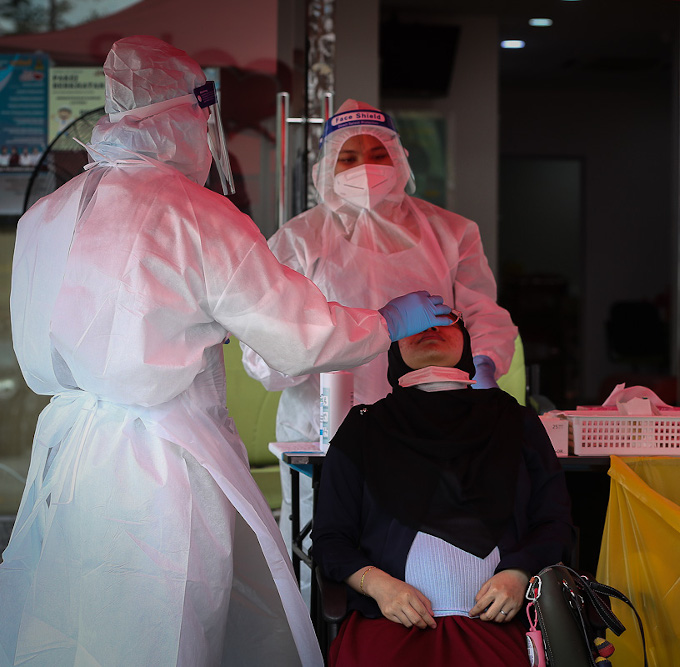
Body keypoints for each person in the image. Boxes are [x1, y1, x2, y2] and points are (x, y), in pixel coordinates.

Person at [0, 36, 452, 667]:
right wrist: (383, 321)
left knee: (76, 630)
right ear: (184, 116)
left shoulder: (45, 215)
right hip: (166, 467)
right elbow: (296, 333)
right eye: (203, 118)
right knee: (167, 632)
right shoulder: (196, 214)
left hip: (71, 457)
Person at [240, 99, 518, 578]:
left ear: (400, 158)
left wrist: (487, 361)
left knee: (429, 560)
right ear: (327, 168)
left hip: (432, 427)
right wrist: (312, 349)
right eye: (349, 157)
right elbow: (264, 345)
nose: (365, 168)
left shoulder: (451, 232)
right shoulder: (299, 240)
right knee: (323, 563)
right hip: (324, 434)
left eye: (377, 153)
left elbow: (482, 312)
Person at [312, 313, 573, 667]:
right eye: (413, 322)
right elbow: (330, 539)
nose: (430, 328)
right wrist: (379, 587)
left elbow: (553, 520)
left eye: (444, 319)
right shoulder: (363, 429)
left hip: (503, 623)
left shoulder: (516, 422)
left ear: (466, 339)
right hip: (392, 623)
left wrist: (519, 573)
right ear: (393, 345)